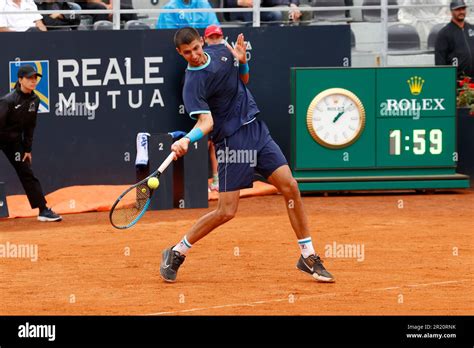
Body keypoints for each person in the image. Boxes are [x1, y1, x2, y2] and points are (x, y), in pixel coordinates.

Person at [159, 27, 334, 283]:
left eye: (196, 48)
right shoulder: (192, 84)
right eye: (187, 53)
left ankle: (307, 255)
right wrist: (187, 139)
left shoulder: (221, 51)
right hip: (231, 143)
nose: (194, 55)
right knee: (226, 211)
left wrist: (241, 63)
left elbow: (243, 80)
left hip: (255, 129)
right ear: (180, 53)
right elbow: (206, 123)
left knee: (290, 187)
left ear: (202, 42)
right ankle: (177, 251)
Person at [0, 65, 62, 222]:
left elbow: (30, 126)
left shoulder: (35, 99)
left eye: (35, 78)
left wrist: (27, 149)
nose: (33, 81)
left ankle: (43, 210)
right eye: (29, 78)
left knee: (26, 172)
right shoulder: (8, 101)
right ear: (20, 80)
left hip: (13, 143)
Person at [435, 0, 474, 79]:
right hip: (457, 81)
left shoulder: (472, 29)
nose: (461, 12)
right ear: (451, 11)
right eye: (457, 9)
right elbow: (440, 62)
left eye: (463, 9)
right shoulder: (444, 33)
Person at [224, 0, 310, 25]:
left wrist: (293, 5)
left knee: (307, 10)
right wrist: (240, 2)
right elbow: (227, 2)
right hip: (239, 11)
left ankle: (304, 38)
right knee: (280, 13)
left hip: (259, 9)